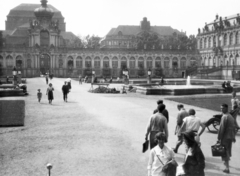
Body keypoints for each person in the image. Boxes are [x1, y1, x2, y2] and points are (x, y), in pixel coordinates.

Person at [217, 104, 236, 174]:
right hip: (230, 136)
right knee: (227, 151)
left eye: (223, 108)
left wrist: (219, 138)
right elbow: (233, 128)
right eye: (221, 108)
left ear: (226, 108)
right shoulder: (230, 116)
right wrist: (233, 136)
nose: (221, 109)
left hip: (225, 137)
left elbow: (221, 129)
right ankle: (226, 165)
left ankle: (227, 168)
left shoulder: (224, 117)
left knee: (224, 152)